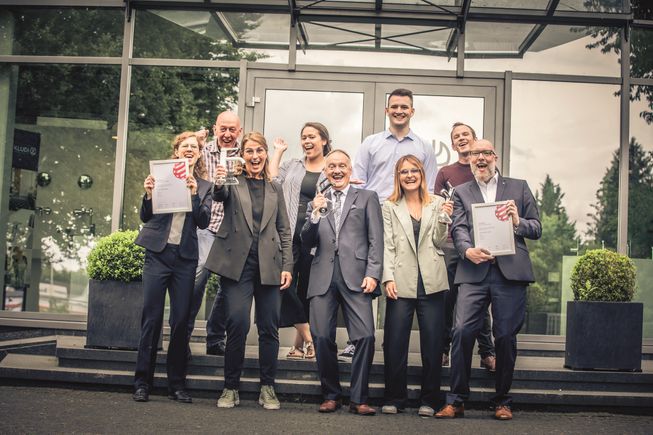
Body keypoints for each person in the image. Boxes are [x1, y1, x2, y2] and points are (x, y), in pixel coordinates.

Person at [435, 139, 541, 421]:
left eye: (485, 153)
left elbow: (536, 228)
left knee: (505, 336)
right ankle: (456, 400)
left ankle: (502, 401)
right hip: (474, 271)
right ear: (469, 159)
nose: (480, 158)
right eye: (474, 154)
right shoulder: (461, 192)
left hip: (510, 273)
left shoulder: (519, 187)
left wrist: (518, 221)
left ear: (495, 156)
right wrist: (466, 250)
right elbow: (458, 229)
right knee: (461, 332)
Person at [346, 87, 437, 361]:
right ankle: (357, 340)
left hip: (407, 221)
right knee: (365, 276)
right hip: (372, 216)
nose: (399, 111)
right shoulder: (371, 143)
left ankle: (392, 341)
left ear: (412, 111)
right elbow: (358, 182)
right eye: (394, 106)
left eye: (404, 107)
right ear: (387, 110)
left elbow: (429, 188)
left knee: (399, 279)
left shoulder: (424, 147)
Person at [204, 132, 293, 411]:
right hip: (237, 266)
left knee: (268, 328)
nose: (255, 156)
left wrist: (287, 266)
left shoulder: (275, 187)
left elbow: (284, 230)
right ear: (242, 155)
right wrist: (219, 180)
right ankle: (230, 387)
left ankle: (268, 388)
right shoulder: (233, 180)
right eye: (250, 151)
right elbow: (219, 195)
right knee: (238, 324)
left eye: (259, 151)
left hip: (269, 265)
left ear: (266, 153)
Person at [132, 132, 213, 404]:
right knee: (151, 318)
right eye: (184, 146)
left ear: (199, 154)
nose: (189, 149)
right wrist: (148, 194)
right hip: (158, 254)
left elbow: (203, 221)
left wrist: (194, 194)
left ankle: (176, 385)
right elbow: (145, 216)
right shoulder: (161, 176)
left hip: (185, 259)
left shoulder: (205, 186)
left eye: (194, 147)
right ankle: (142, 383)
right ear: (177, 151)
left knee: (180, 321)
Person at [301, 149, 383, 416]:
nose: (337, 170)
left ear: (350, 169)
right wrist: (315, 214)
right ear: (325, 172)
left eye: (342, 166)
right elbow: (306, 241)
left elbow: (376, 239)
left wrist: (373, 273)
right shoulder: (317, 201)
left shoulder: (367, 197)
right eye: (332, 167)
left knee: (366, 336)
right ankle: (331, 395)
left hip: (357, 276)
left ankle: (359, 398)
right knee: (321, 336)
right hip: (322, 275)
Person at [381, 155, 452, 417]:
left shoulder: (438, 203)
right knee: (394, 343)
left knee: (433, 344)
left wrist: (444, 219)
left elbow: (439, 242)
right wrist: (388, 277)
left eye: (414, 171)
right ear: (398, 177)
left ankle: (430, 401)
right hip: (400, 280)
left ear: (422, 174)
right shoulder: (389, 206)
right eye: (404, 172)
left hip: (431, 280)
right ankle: (394, 398)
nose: (409, 175)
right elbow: (388, 244)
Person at [434, 122, 496, 371]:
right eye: (457, 136)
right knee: (447, 300)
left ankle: (487, 352)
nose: (461, 138)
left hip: (479, 244)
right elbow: (437, 207)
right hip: (451, 243)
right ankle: (443, 350)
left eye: (466, 135)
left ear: (474, 139)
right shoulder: (445, 173)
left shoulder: (484, 169)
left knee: (479, 299)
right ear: (452, 144)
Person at [269, 122, 331, 360]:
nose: (307, 141)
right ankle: (309, 338)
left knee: (305, 291)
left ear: (323, 140)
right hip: (287, 236)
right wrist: (278, 152)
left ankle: (298, 346)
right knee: (282, 286)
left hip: (315, 238)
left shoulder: (331, 167)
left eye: (312, 136)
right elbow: (273, 180)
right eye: (304, 137)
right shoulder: (293, 165)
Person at [187, 111, 243, 357]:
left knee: (228, 287)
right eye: (223, 129)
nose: (227, 134)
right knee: (197, 280)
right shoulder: (202, 150)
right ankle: (183, 336)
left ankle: (215, 339)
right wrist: (194, 140)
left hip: (233, 230)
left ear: (239, 131)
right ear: (215, 128)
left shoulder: (245, 155)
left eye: (232, 129)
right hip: (206, 226)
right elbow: (181, 160)